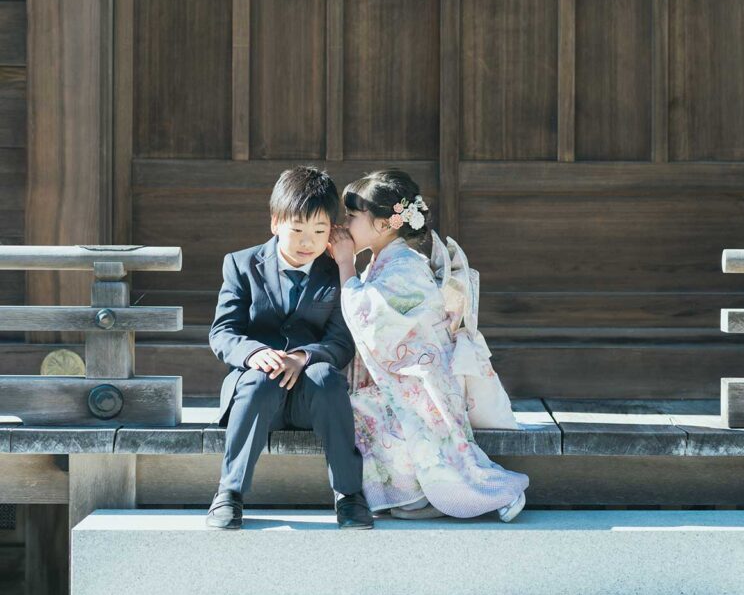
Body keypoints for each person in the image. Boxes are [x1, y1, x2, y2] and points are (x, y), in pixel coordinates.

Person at [330, 168, 529, 522]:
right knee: (359, 407)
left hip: (423, 382)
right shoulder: (384, 261)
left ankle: (482, 493)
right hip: (408, 375)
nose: (344, 224)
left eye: (352, 216)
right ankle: (413, 495)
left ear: (384, 224)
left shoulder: (405, 266)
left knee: (365, 410)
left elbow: (367, 318)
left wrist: (345, 261)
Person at [205, 166, 373, 530]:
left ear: (332, 230)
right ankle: (229, 494)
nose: (307, 241)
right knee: (259, 379)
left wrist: (303, 356)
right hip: (258, 398)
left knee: (325, 375)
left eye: (319, 230)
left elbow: (341, 341)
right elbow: (222, 333)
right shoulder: (241, 264)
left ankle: (349, 496)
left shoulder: (336, 273)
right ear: (275, 222)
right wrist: (253, 354)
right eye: (297, 229)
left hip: (313, 401)